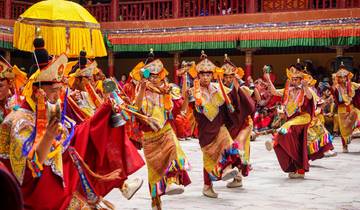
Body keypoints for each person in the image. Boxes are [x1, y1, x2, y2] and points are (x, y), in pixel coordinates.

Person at [0, 37, 144, 209]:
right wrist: (48, 137)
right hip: (40, 197)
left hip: (61, 186)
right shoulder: (18, 121)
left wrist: (105, 112)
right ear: (38, 91)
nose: (58, 95)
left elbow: (77, 133)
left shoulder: (49, 111)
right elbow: (31, 167)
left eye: (59, 90)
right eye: (53, 90)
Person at [186, 51, 247, 198]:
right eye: (203, 75)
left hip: (219, 127)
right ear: (198, 76)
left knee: (229, 145)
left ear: (212, 75)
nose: (206, 77)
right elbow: (190, 106)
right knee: (209, 158)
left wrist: (235, 82)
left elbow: (231, 97)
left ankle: (227, 169)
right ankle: (207, 186)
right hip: (205, 131)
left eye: (208, 74)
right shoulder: (193, 91)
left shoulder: (218, 88)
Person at [134, 52, 191, 210]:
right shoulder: (141, 90)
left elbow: (182, 108)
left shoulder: (167, 91)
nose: (154, 79)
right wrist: (142, 88)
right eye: (150, 76)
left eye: (156, 76)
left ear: (161, 76)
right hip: (149, 137)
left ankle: (172, 181)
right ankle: (156, 201)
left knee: (175, 150)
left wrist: (186, 95)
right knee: (154, 171)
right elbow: (136, 108)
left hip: (165, 131)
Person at [264, 60, 316, 179]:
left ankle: (273, 142)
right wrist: (268, 79)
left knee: (285, 128)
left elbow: (309, 97)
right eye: (292, 79)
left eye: (296, 79)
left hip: (303, 117)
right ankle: (297, 168)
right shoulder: (289, 90)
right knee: (291, 141)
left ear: (301, 79)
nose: (294, 81)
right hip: (292, 120)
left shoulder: (306, 89)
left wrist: (306, 86)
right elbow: (274, 92)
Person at [220, 54, 256, 188]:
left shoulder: (242, 89)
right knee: (230, 148)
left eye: (231, 76)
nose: (228, 79)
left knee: (239, 145)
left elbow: (251, 107)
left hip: (244, 123)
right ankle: (237, 178)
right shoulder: (219, 91)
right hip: (231, 125)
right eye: (226, 76)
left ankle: (239, 174)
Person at [331, 62, 360, 153]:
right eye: (341, 77)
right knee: (344, 129)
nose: (343, 79)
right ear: (338, 78)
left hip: (351, 107)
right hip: (341, 109)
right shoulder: (336, 87)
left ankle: (357, 129)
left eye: (344, 77)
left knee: (358, 114)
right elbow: (335, 97)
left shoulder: (351, 85)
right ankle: (345, 146)